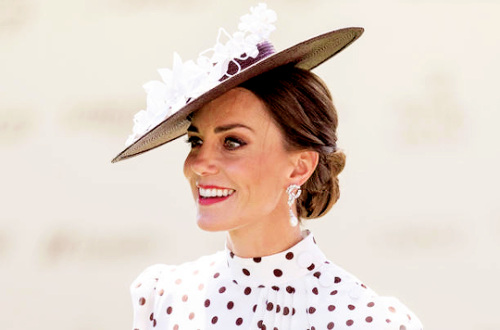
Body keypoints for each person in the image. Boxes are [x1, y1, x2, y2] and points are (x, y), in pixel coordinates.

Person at [112, 4, 423, 330]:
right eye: (195, 141)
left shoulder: (365, 320)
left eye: (232, 142)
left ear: (299, 167)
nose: (200, 164)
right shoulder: (165, 300)